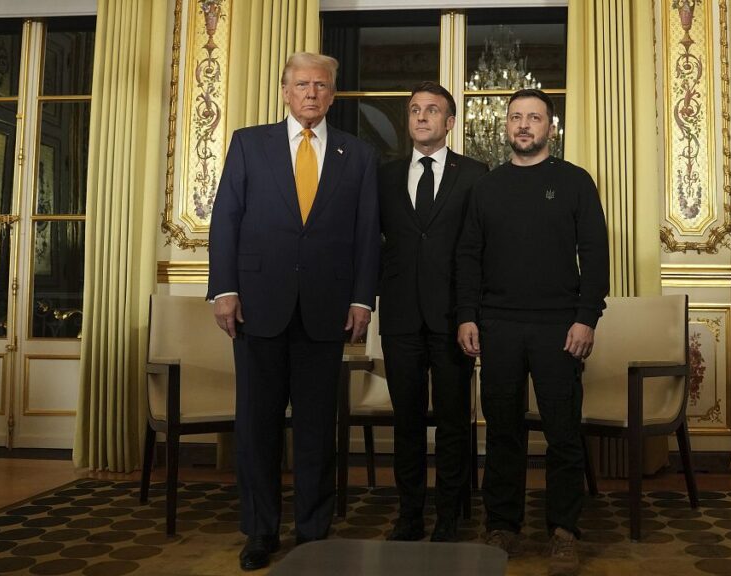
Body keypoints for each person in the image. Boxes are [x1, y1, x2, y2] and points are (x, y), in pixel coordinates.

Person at [206, 52, 379, 572]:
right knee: (257, 427)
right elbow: (226, 221)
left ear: (333, 94)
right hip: (257, 307)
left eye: (321, 86)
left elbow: (368, 233)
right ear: (284, 91)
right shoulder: (247, 143)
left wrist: (361, 299)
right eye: (301, 84)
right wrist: (224, 290)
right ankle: (260, 531)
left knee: (315, 429)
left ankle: (312, 532)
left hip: (327, 311)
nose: (311, 93)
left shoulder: (358, 153)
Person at [455, 88, 609, 576]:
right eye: (516, 117)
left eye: (534, 118)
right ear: (506, 126)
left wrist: (586, 316)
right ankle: (502, 524)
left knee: (563, 433)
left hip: (560, 327)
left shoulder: (576, 182)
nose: (524, 125)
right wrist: (466, 316)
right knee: (502, 432)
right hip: (496, 325)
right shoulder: (486, 187)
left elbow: (597, 254)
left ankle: (563, 530)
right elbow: (468, 258)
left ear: (550, 127)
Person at [377, 81, 488, 543]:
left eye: (432, 110)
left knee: (453, 422)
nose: (421, 118)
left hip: (452, 319)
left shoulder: (475, 174)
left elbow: (479, 250)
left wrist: (471, 313)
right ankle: (409, 516)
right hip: (400, 316)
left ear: (450, 122)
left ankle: (448, 516)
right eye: (415, 110)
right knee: (405, 421)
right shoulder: (383, 174)